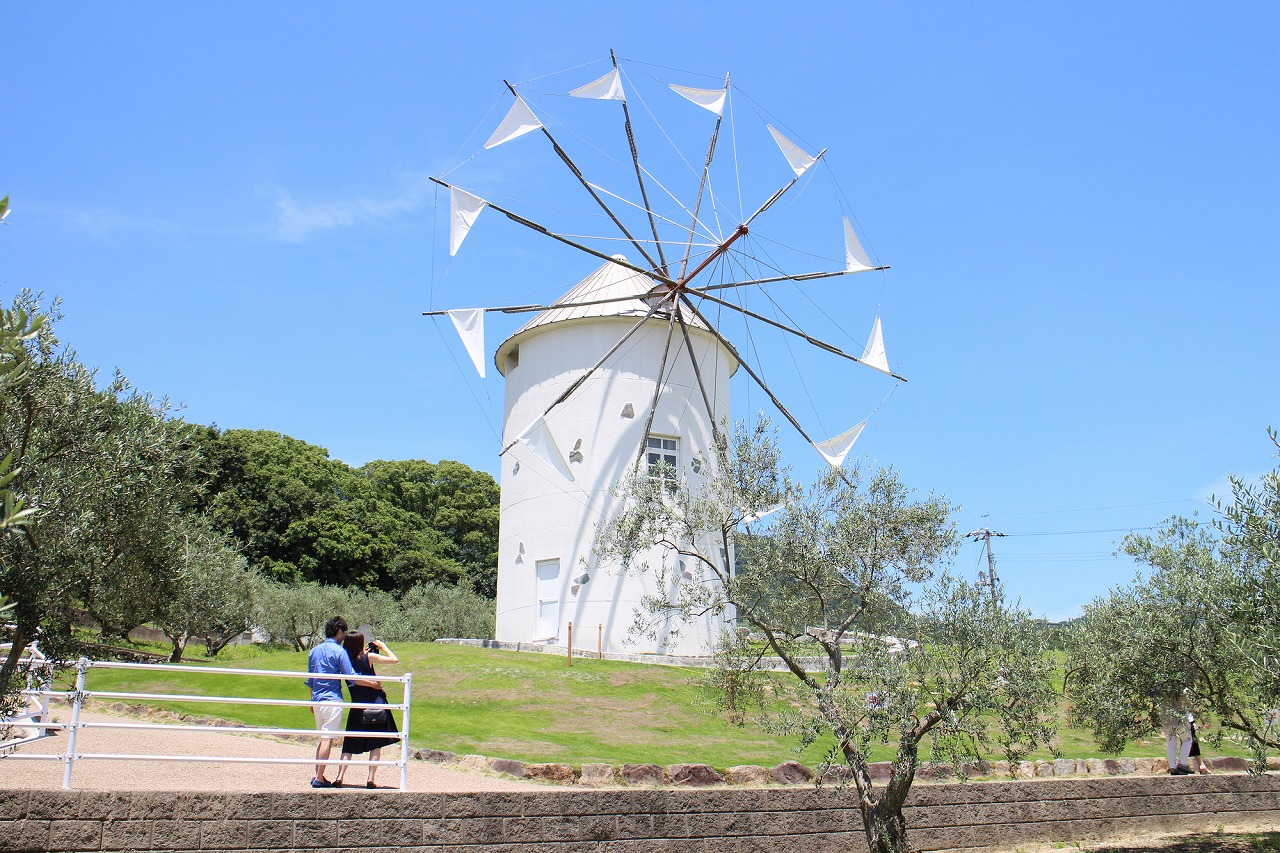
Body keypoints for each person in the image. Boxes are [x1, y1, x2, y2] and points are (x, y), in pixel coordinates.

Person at [305, 616, 379, 788]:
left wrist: (311, 700)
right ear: (339, 631)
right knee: (327, 739)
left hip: (317, 700)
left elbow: (310, 679)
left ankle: (318, 775)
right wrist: (372, 683)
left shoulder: (313, 651)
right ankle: (319, 777)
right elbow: (351, 676)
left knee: (322, 739)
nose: (344, 636)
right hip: (332, 699)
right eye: (344, 632)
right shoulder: (339, 651)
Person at [333, 632, 400, 789]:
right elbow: (394, 660)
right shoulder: (369, 658)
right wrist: (383, 647)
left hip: (357, 706)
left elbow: (354, 679)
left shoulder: (345, 661)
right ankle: (370, 779)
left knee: (348, 745)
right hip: (375, 705)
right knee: (375, 743)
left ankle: (339, 777)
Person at [1161, 689, 1194, 775]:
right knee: (1187, 740)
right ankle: (1182, 764)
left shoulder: (1161, 687)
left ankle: (1172, 767)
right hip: (1180, 720)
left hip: (1166, 720)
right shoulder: (1181, 687)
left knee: (1171, 744)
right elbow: (1189, 701)